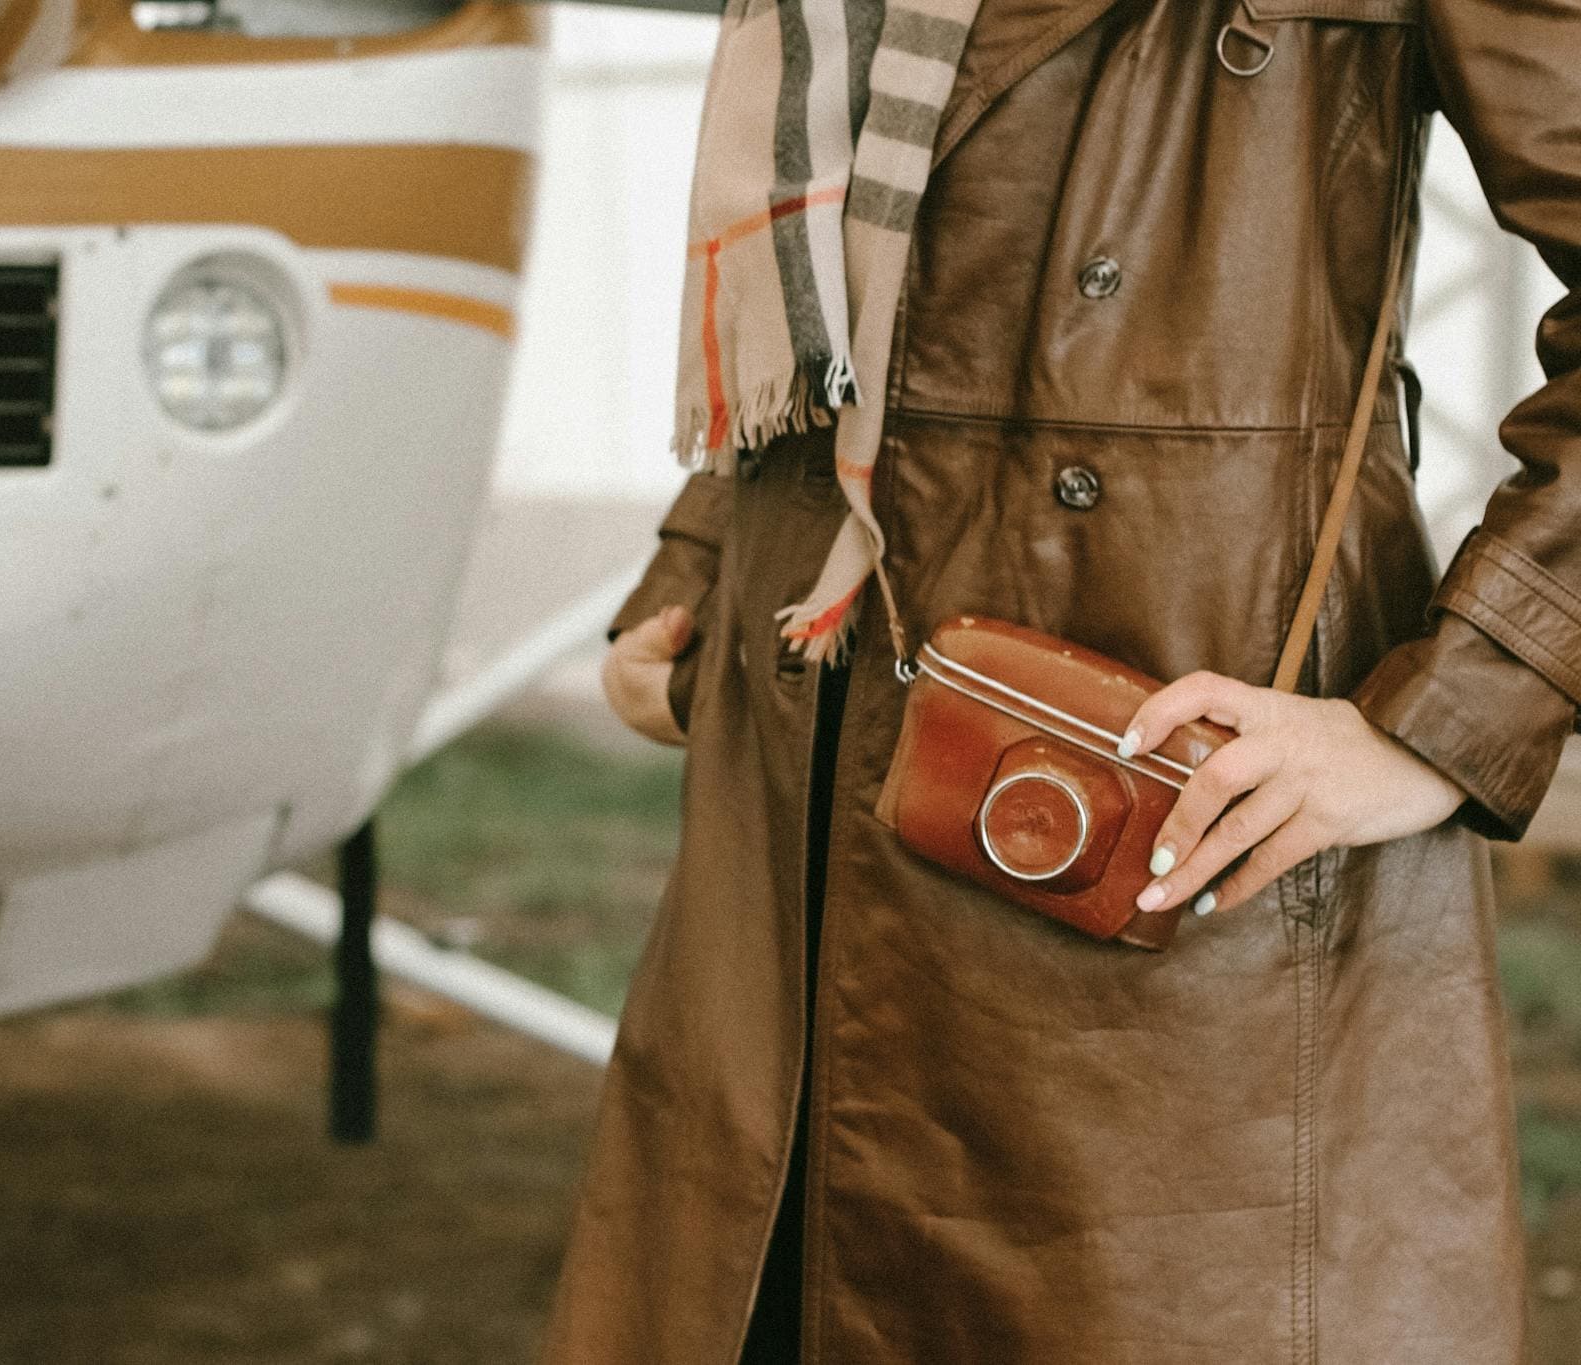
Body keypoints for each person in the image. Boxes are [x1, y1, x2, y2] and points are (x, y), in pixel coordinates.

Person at [538, 0, 1581, 1361]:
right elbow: (845, 284)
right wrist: (700, 562)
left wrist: (1454, 713)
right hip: (799, 824)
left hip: (1166, 851)